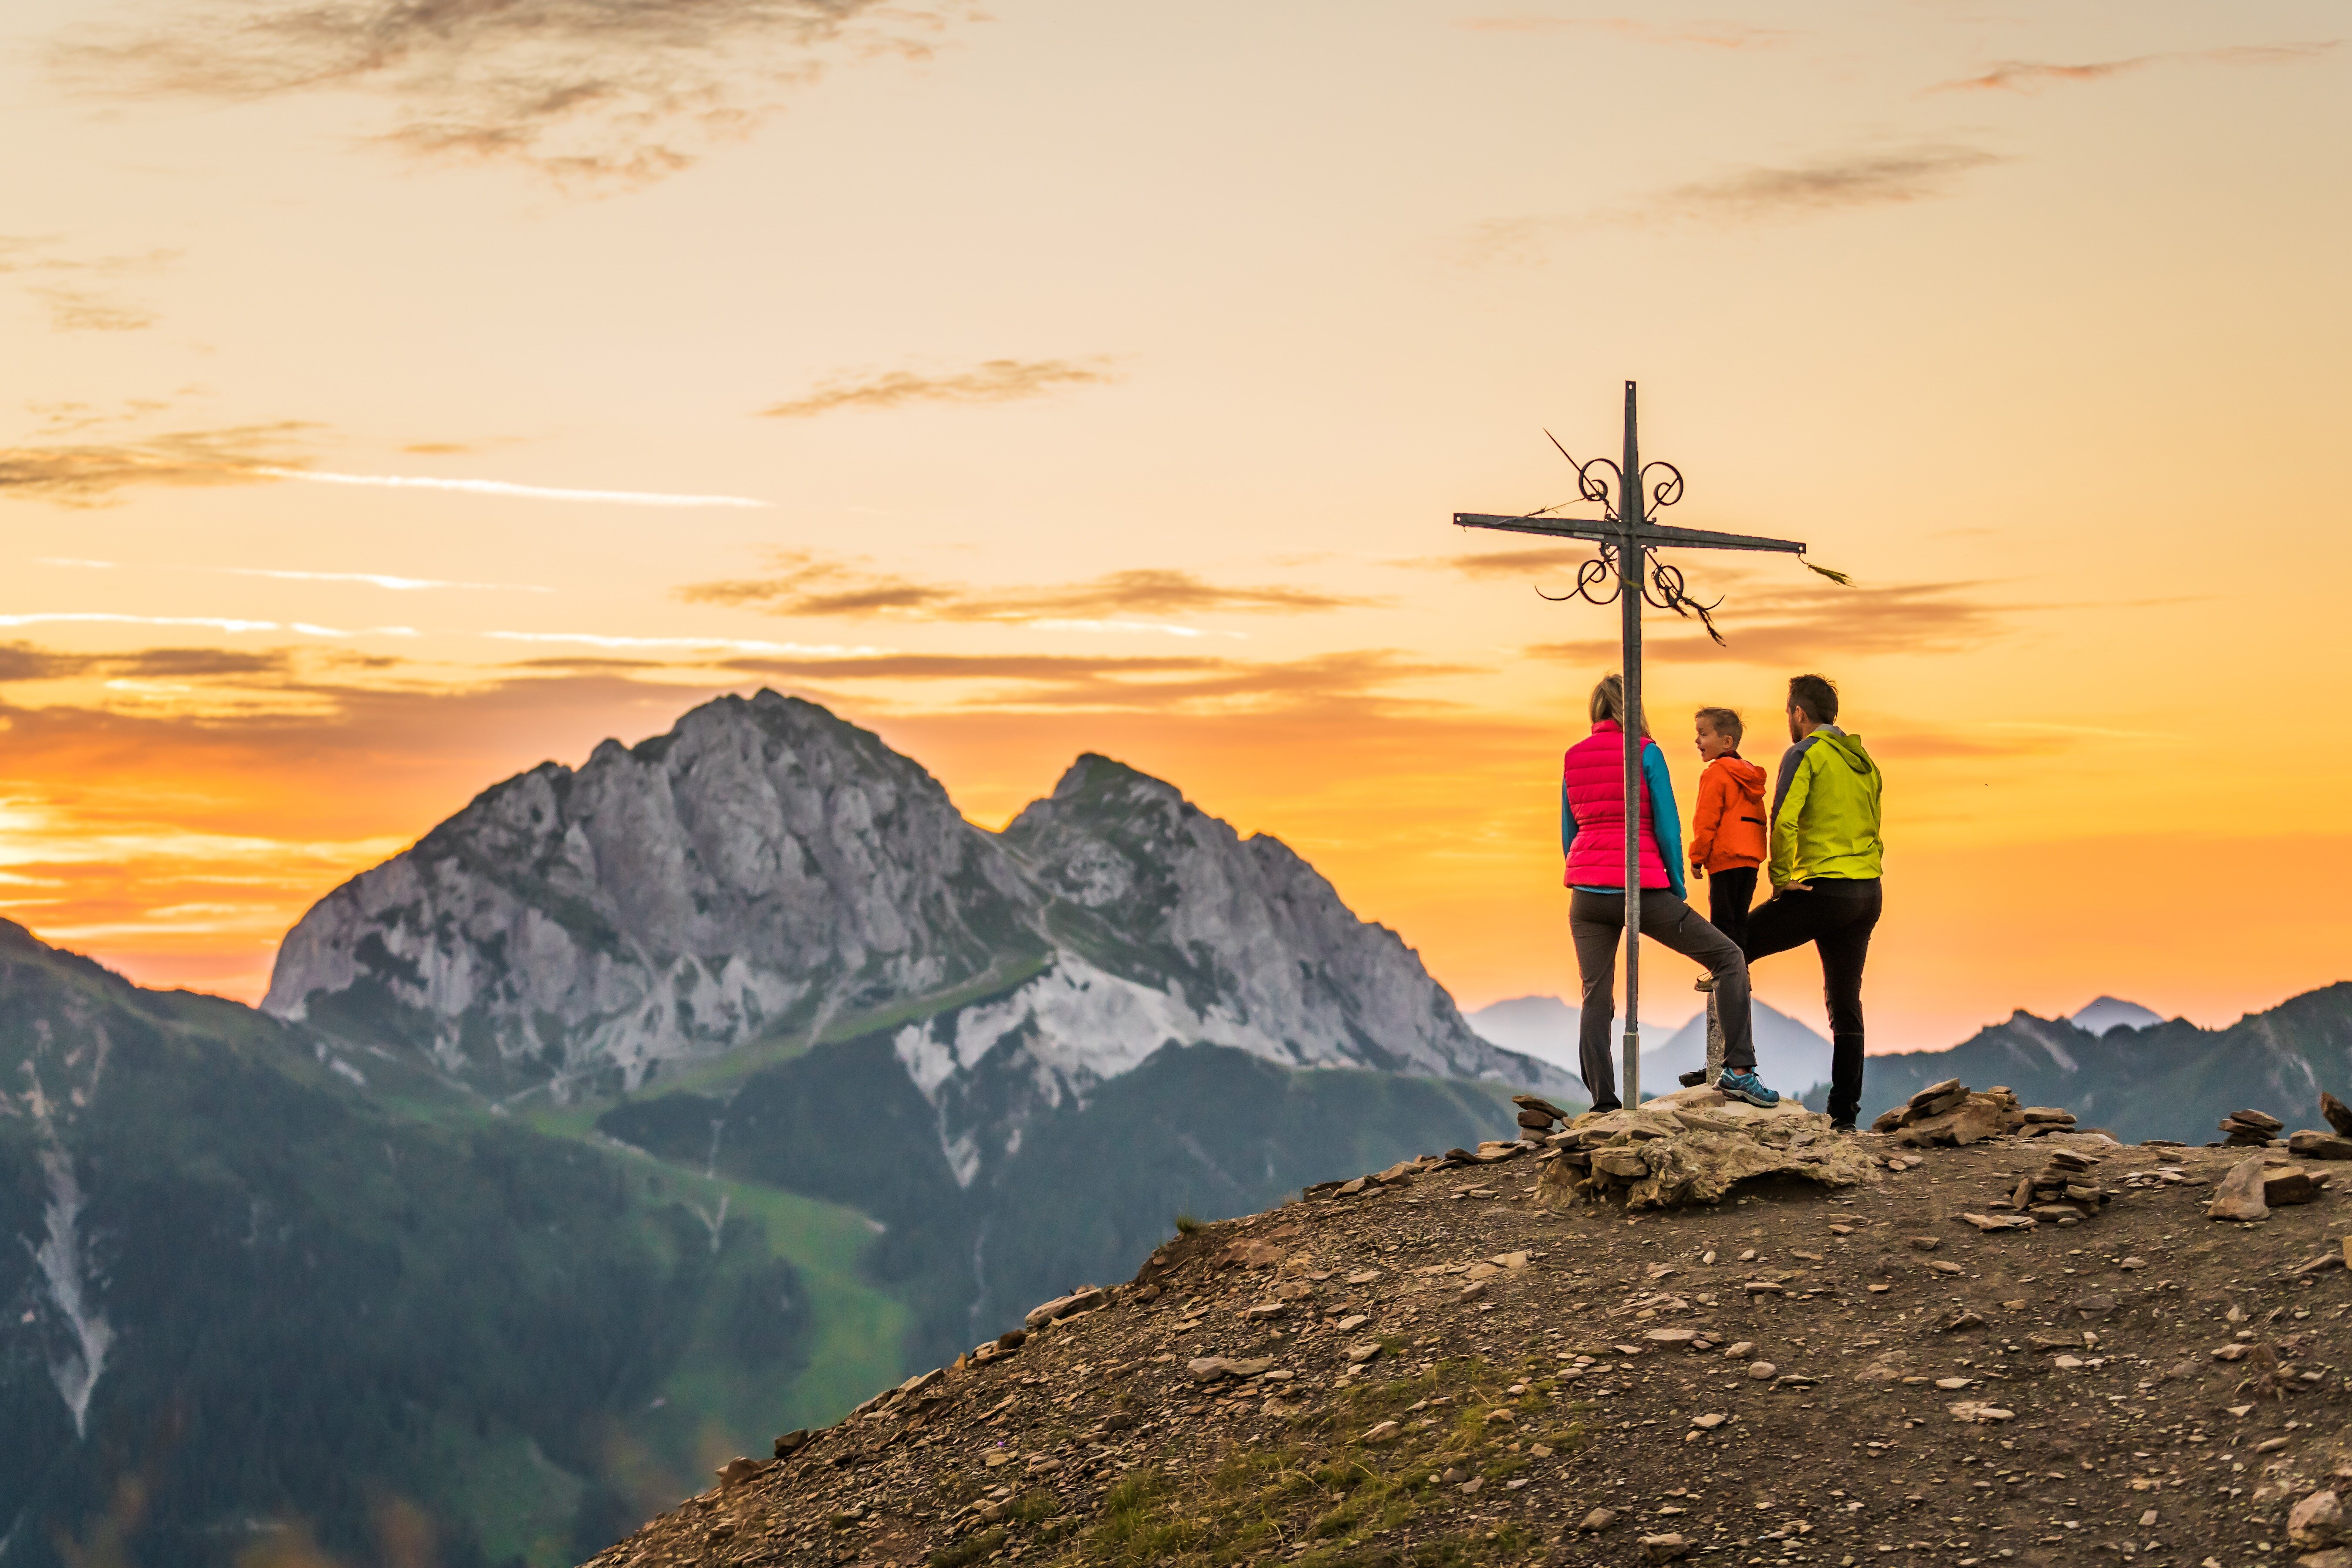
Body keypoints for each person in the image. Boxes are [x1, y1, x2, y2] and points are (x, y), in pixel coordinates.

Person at [1562, 674, 1777, 1111]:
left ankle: (1604, 1102)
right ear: (1633, 709)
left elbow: (1569, 831)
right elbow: (1666, 826)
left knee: (1596, 996)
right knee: (1728, 958)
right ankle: (1739, 1072)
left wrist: (1585, 869)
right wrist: (1676, 887)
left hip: (1586, 891)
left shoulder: (1573, 757)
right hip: (1641, 887)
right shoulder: (1646, 753)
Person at [1740, 673, 1885, 1132]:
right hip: (1868, 891)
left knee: (1730, 948)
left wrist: (1780, 880)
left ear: (1799, 714)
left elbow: (1783, 819)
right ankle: (1844, 1116)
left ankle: (1730, 1071)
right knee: (1846, 1002)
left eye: (1788, 713)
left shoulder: (1805, 754)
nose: (1788, 721)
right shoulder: (1864, 761)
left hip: (1825, 889)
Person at [1688, 706, 1767, 951]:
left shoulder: (1716, 774)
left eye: (1703, 734)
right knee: (1739, 921)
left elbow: (1706, 821)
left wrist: (1696, 858)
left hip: (1725, 859)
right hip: (1751, 860)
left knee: (1722, 925)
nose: (1697, 740)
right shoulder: (1750, 775)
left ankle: (1726, 975)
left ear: (1726, 742)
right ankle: (1741, 971)